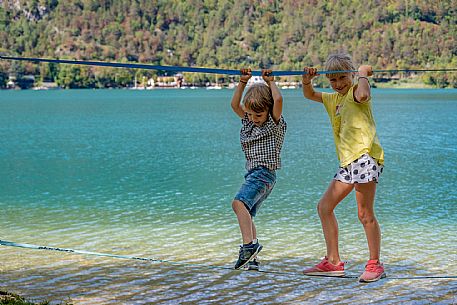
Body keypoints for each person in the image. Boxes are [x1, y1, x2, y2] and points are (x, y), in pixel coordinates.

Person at [301, 52, 386, 282]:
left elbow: (364, 93)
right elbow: (309, 94)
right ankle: (334, 262)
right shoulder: (332, 99)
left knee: (364, 214)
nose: (338, 84)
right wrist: (307, 79)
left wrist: (362, 75)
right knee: (324, 207)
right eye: (333, 80)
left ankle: (375, 264)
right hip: (347, 164)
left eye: (342, 78)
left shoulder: (356, 92)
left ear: (350, 74)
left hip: (366, 158)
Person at [230, 68, 287, 270]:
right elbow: (234, 105)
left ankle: (249, 246)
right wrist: (243, 82)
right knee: (247, 213)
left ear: (268, 110)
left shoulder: (273, 123)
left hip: (264, 173)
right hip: (257, 175)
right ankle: (252, 259)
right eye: (251, 113)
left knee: (238, 204)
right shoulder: (249, 121)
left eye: (259, 114)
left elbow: (278, 101)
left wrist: (270, 81)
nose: (254, 118)